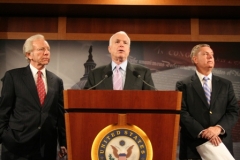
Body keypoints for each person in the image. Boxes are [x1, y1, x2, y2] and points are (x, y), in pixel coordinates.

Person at [0, 34, 67, 160]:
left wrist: (63, 142)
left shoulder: (57, 81)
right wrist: (5, 137)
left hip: (46, 146)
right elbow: (3, 110)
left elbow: (59, 114)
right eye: (41, 49)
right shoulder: (13, 76)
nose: (46, 53)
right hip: (17, 145)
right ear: (28, 55)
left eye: (48, 49)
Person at [176, 44, 239, 159]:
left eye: (212, 55)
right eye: (205, 54)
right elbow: (182, 113)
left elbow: (233, 111)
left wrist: (217, 129)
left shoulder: (226, 84)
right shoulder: (183, 85)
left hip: (221, 143)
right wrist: (203, 132)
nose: (210, 57)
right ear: (195, 59)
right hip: (194, 145)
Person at [84, 31, 155, 90]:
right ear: (109, 49)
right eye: (117, 42)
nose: (121, 45)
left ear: (129, 50)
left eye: (125, 43)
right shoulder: (95, 74)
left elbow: (152, 99)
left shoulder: (142, 73)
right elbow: (85, 98)